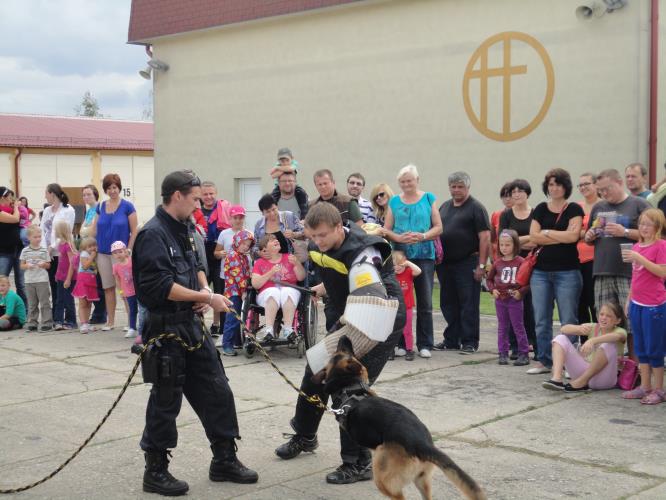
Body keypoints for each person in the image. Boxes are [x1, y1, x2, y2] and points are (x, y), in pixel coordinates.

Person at [132, 170, 257, 495]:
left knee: (217, 389)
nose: (199, 203)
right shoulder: (153, 235)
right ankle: (156, 471)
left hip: (192, 324)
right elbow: (159, 286)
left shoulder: (189, 228)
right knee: (166, 400)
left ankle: (224, 460)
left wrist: (203, 292)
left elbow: (198, 266)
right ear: (177, 196)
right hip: (164, 329)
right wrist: (206, 298)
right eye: (194, 197)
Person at [274, 202, 405, 485]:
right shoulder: (318, 245)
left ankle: (359, 463)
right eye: (313, 236)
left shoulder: (364, 251)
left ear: (338, 227)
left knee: (348, 386)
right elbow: (339, 271)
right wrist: (323, 288)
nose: (318, 242)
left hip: (379, 317)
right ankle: (305, 436)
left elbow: (368, 288)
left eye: (323, 235)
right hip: (350, 314)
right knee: (315, 370)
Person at [584, 169, 649, 358]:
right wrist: (589, 236)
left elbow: (654, 235)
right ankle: (610, 367)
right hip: (602, 271)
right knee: (605, 322)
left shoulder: (639, 204)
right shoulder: (598, 207)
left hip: (630, 272)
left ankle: (635, 367)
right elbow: (590, 236)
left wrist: (626, 232)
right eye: (601, 190)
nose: (604, 194)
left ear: (619, 182)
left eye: (607, 189)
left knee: (632, 323)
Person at [527, 168, 584, 375]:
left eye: (558, 184)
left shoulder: (574, 208)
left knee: (569, 320)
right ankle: (544, 361)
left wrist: (548, 232)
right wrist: (561, 234)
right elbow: (533, 237)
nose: (554, 188)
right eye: (551, 184)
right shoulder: (541, 208)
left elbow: (573, 237)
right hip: (541, 273)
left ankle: (570, 363)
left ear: (565, 186)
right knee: (541, 319)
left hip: (567, 272)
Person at [384, 165, 442, 358]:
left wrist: (423, 236)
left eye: (410, 180)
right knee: (400, 301)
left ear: (417, 180)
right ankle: (401, 343)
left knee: (424, 301)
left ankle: (425, 344)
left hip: (424, 255)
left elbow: (439, 227)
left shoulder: (428, 198)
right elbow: (386, 229)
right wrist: (398, 238)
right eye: (402, 181)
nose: (406, 184)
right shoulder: (393, 201)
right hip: (400, 256)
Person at [433, 171, 489, 354]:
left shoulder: (476, 208)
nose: (456, 190)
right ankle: (451, 340)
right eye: (453, 186)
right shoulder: (444, 207)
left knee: (468, 303)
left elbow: (485, 238)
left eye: (460, 187)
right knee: (448, 303)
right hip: (445, 264)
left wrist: (481, 266)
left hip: (468, 262)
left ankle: (470, 341)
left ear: (468, 187)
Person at [621, 208, 666, 404]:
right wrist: (629, 299)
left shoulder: (661, 246)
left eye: (648, 224)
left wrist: (639, 258)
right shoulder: (637, 246)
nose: (644, 227)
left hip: (654, 305)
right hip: (637, 304)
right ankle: (645, 386)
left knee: (654, 347)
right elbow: (636, 277)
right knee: (641, 348)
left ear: (657, 226)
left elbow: (661, 272)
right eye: (641, 223)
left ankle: (659, 389)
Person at [542, 302, 627, 392]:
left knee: (608, 344)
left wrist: (592, 340)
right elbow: (563, 329)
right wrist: (577, 328)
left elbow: (617, 337)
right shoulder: (594, 327)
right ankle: (557, 379)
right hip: (583, 374)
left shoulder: (620, 331)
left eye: (609, 316)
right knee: (560, 338)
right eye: (601, 314)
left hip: (604, 380)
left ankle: (582, 382)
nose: (603, 318)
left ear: (618, 320)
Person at [91, 174, 138, 331]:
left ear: (119, 188)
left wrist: (129, 249)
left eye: (114, 187)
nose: (112, 191)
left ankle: (131, 322)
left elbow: (134, 230)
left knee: (125, 289)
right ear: (105, 190)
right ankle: (110, 321)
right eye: (109, 188)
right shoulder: (100, 206)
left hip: (121, 256)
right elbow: (94, 228)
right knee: (108, 288)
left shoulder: (128, 206)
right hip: (103, 253)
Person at [498, 179, 537, 358]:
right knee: (512, 302)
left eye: (520, 191)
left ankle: (533, 343)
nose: (517, 195)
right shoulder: (507, 214)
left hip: (532, 262)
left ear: (527, 193)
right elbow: (503, 239)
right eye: (513, 192)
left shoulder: (536, 213)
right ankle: (515, 346)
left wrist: (516, 240)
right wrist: (525, 239)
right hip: (512, 264)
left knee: (531, 306)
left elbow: (538, 240)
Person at [486, 230, 530, 366]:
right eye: (502, 245)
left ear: (515, 245)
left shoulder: (521, 262)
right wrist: (492, 290)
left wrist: (521, 292)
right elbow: (489, 279)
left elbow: (528, 281)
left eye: (508, 245)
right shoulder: (497, 263)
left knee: (518, 326)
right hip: (500, 300)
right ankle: (503, 353)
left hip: (514, 300)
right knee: (502, 327)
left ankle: (524, 353)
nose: (504, 248)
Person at [252, 234, 306, 342]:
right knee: (273, 291)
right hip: (267, 294)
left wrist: (297, 264)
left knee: (287, 291)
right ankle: (269, 330)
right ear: (265, 248)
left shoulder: (289, 257)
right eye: (271, 240)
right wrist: (270, 272)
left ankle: (288, 329)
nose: (276, 241)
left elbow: (301, 277)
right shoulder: (259, 263)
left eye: (276, 239)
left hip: (289, 290)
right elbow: (256, 284)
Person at [199, 181, 231, 337]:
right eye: (205, 194)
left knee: (220, 293)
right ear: (200, 195)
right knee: (201, 293)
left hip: (219, 256)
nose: (208, 197)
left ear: (216, 193)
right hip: (202, 255)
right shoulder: (195, 211)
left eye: (211, 193)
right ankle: (199, 328)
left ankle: (222, 329)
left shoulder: (224, 209)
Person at [40, 183, 75, 313]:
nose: (45, 196)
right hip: (49, 254)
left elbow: (67, 232)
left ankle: (68, 315)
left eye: (46, 193)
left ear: (52, 194)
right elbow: (42, 229)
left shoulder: (68, 210)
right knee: (53, 284)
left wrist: (53, 246)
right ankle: (56, 314)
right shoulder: (47, 210)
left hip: (61, 253)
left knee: (63, 285)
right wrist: (45, 249)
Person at [220, 230, 255, 356]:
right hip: (233, 292)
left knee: (239, 317)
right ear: (237, 242)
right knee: (232, 318)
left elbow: (246, 274)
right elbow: (239, 276)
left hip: (239, 291)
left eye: (248, 244)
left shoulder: (244, 257)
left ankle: (236, 342)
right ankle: (227, 345)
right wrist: (244, 290)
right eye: (243, 243)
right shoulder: (233, 255)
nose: (245, 246)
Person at [80, 184, 106, 326]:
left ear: (95, 194)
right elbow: (83, 230)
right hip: (88, 249)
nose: (86, 197)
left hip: (96, 249)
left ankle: (100, 313)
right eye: (84, 195)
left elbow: (90, 231)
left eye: (89, 194)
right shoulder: (89, 210)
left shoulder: (99, 208)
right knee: (92, 283)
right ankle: (98, 312)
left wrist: (85, 231)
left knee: (99, 283)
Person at [19, 225, 52, 332]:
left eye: (39, 236)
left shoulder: (44, 250)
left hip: (42, 280)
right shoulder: (25, 251)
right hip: (29, 281)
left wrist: (44, 264)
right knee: (32, 303)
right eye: (35, 237)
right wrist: (27, 266)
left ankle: (47, 322)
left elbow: (48, 265)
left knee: (44, 302)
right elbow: (21, 265)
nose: (38, 239)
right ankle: (32, 322)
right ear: (29, 238)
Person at [576, 173, 599, 325]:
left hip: (595, 261)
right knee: (579, 302)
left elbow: (602, 233)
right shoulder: (576, 207)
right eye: (580, 185)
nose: (583, 187)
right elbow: (571, 233)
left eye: (587, 184)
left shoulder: (603, 205)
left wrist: (581, 234)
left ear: (596, 185)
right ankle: (584, 342)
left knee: (595, 302)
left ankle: (600, 342)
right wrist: (588, 232)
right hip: (576, 260)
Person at [391, 250, 421, 361]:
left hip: (407, 307)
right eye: (395, 265)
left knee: (407, 330)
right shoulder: (391, 275)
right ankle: (391, 351)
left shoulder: (408, 272)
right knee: (393, 330)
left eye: (400, 264)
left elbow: (418, 271)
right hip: (394, 307)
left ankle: (409, 350)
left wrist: (408, 263)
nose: (398, 267)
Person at [0, 187, 26, 304]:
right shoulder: (3, 212)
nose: (12, 200)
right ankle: (3, 311)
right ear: (2, 198)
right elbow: (15, 219)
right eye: (10, 198)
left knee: (21, 283)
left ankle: (24, 313)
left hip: (18, 250)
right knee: (2, 282)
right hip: (4, 252)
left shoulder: (11, 210)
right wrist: (16, 207)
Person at [53, 221, 77, 330]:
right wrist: (57, 274)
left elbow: (72, 263)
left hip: (69, 277)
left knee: (68, 299)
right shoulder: (60, 243)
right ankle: (58, 320)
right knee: (59, 299)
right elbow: (60, 261)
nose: (55, 231)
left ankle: (71, 321)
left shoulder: (68, 245)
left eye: (56, 229)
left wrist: (68, 279)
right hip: (60, 276)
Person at [72, 237, 100, 334]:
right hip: (83, 279)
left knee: (89, 303)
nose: (92, 248)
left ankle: (87, 322)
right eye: (89, 246)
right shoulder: (84, 254)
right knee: (83, 303)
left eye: (94, 246)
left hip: (91, 280)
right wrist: (92, 256)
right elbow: (85, 266)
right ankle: (83, 323)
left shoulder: (94, 255)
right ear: (84, 247)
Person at [111, 241, 138, 339]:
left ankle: (143, 326)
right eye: (115, 252)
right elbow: (117, 281)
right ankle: (132, 328)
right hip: (128, 291)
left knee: (143, 309)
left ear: (126, 252)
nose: (118, 254)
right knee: (132, 310)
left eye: (120, 251)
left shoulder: (132, 262)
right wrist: (121, 292)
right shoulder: (116, 267)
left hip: (138, 289)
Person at [490, 183, 513, 262]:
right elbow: (491, 239)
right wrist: (492, 257)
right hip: (499, 259)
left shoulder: (526, 215)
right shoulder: (496, 215)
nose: (507, 199)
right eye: (504, 196)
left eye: (510, 195)